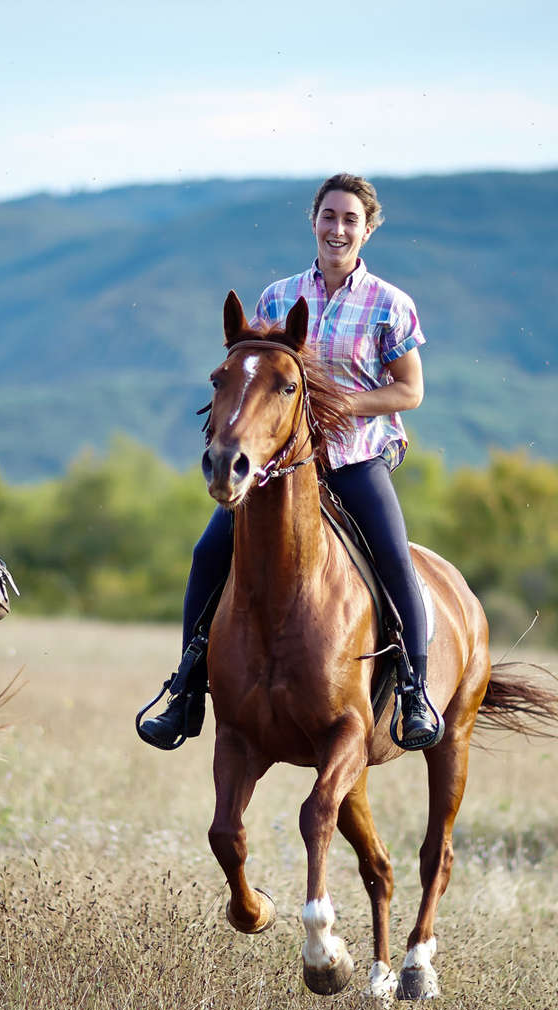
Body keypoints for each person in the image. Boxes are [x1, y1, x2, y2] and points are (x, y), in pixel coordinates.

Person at [137, 172, 444, 752]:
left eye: (351, 219)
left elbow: (409, 392)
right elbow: (255, 379)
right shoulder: (277, 297)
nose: (338, 228)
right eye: (329, 216)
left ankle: (414, 688)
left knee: (394, 557)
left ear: (368, 230)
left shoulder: (390, 304)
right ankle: (185, 690)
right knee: (208, 553)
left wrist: (334, 409)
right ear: (314, 221)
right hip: (279, 468)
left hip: (353, 457)